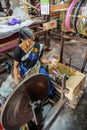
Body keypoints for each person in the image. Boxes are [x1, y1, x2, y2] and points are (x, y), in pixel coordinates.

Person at [13, 26, 57, 97]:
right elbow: (15, 66)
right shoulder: (18, 51)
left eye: (32, 40)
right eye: (29, 41)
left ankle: (50, 95)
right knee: (32, 85)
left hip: (37, 66)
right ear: (22, 40)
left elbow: (41, 59)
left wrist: (50, 61)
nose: (31, 43)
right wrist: (15, 77)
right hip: (25, 70)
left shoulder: (37, 46)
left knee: (46, 77)